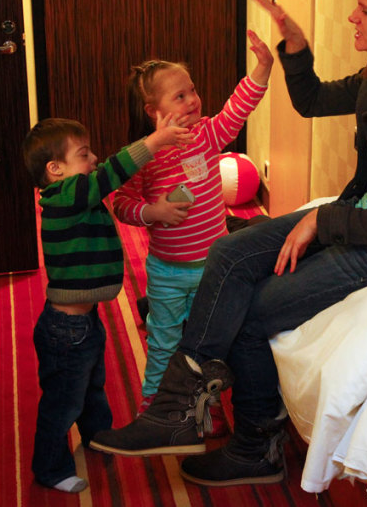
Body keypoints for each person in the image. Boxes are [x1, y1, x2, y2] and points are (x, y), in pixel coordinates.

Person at [90, 0, 367, 487]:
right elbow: (313, 99)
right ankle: (177, 409)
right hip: (366, 212)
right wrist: (294, 46)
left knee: (252, 310)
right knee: (229, 253)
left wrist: (322, 221)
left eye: (364, 9)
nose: (352, 17)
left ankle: (258, 446)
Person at [111, 30, 273, 434]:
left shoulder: (207, 135)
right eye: (179, 96)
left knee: (207, 341)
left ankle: (205, 404)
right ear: (154, 111)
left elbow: (238, 107)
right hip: (167, 271)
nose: (192, 100)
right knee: (165, 340)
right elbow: (121, 204)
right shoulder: (145, 156)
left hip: (213, 268)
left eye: (192, 90)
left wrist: (263, 68)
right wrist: (154, 210)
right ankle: (156, 404)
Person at [22, 116, 192, 493]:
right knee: (62, 403)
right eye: (84, 154)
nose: (94, 158)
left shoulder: (75, 195)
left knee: (90, 388)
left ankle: (98, 435)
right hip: (66, 329)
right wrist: (156, 140)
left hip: (84, 323)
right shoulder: (66, 196)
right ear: (56, 170)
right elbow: (112, 173)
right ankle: (49, 468)